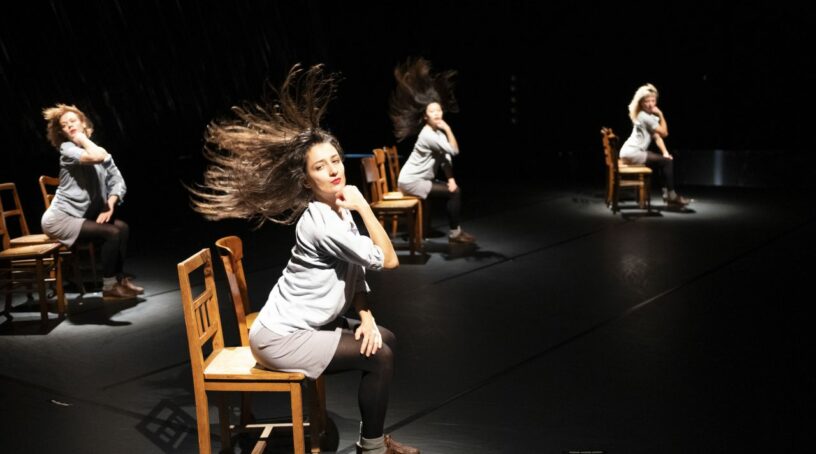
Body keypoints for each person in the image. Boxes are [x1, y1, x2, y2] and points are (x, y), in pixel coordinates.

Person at [190, 65, 420, 454]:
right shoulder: (321, 221)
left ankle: (373, 437)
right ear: (306, 180)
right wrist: (366, 206)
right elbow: (388, 260)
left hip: (310, 323)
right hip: (283, 338)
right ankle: (373, 447)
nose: (332, 171)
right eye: (319, 167)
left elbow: (358, 271)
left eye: (334, 160)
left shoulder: (337, 209)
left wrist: (364, 316)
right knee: (379, 356)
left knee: (387, 338)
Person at [41, 104, 144, 298]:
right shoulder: (68, 149)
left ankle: (119, 280)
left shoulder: (98, 150)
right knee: (112, 233)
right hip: (59, 219)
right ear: (61, 132)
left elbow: (118, 181)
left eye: (73, 121)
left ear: (83, 123)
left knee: (122, 228)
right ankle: (109, 286)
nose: (69, 126)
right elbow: (97, 157)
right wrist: (81, 137)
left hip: (80, 218)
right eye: (64, 125)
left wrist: (110, 203)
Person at [389, 57, 475, 243]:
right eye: (432, 112)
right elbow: (454, 151)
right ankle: (455, 233)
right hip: (411, 181)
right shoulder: (428, 135)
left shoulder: (437, 134)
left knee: (453, 187)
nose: (437, 114)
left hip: (418, 180)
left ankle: (444, 231)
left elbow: (445, 159)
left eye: (439, 110)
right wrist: (448, 128)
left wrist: (451, 179)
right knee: (455, 192)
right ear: (425, 117)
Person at [619, 83, 691, 206]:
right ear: (641, 102)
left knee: (663, 160)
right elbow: (664, 133)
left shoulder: (646, 116)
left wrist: (665, 153)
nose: (651, 104)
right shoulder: (644, 116)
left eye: (653, 100)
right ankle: (671, 196)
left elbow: (657, 137)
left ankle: (666, 194)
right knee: (666, 162)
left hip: (628, 152)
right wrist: (661, 114)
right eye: (647, 101)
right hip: (633, 152)